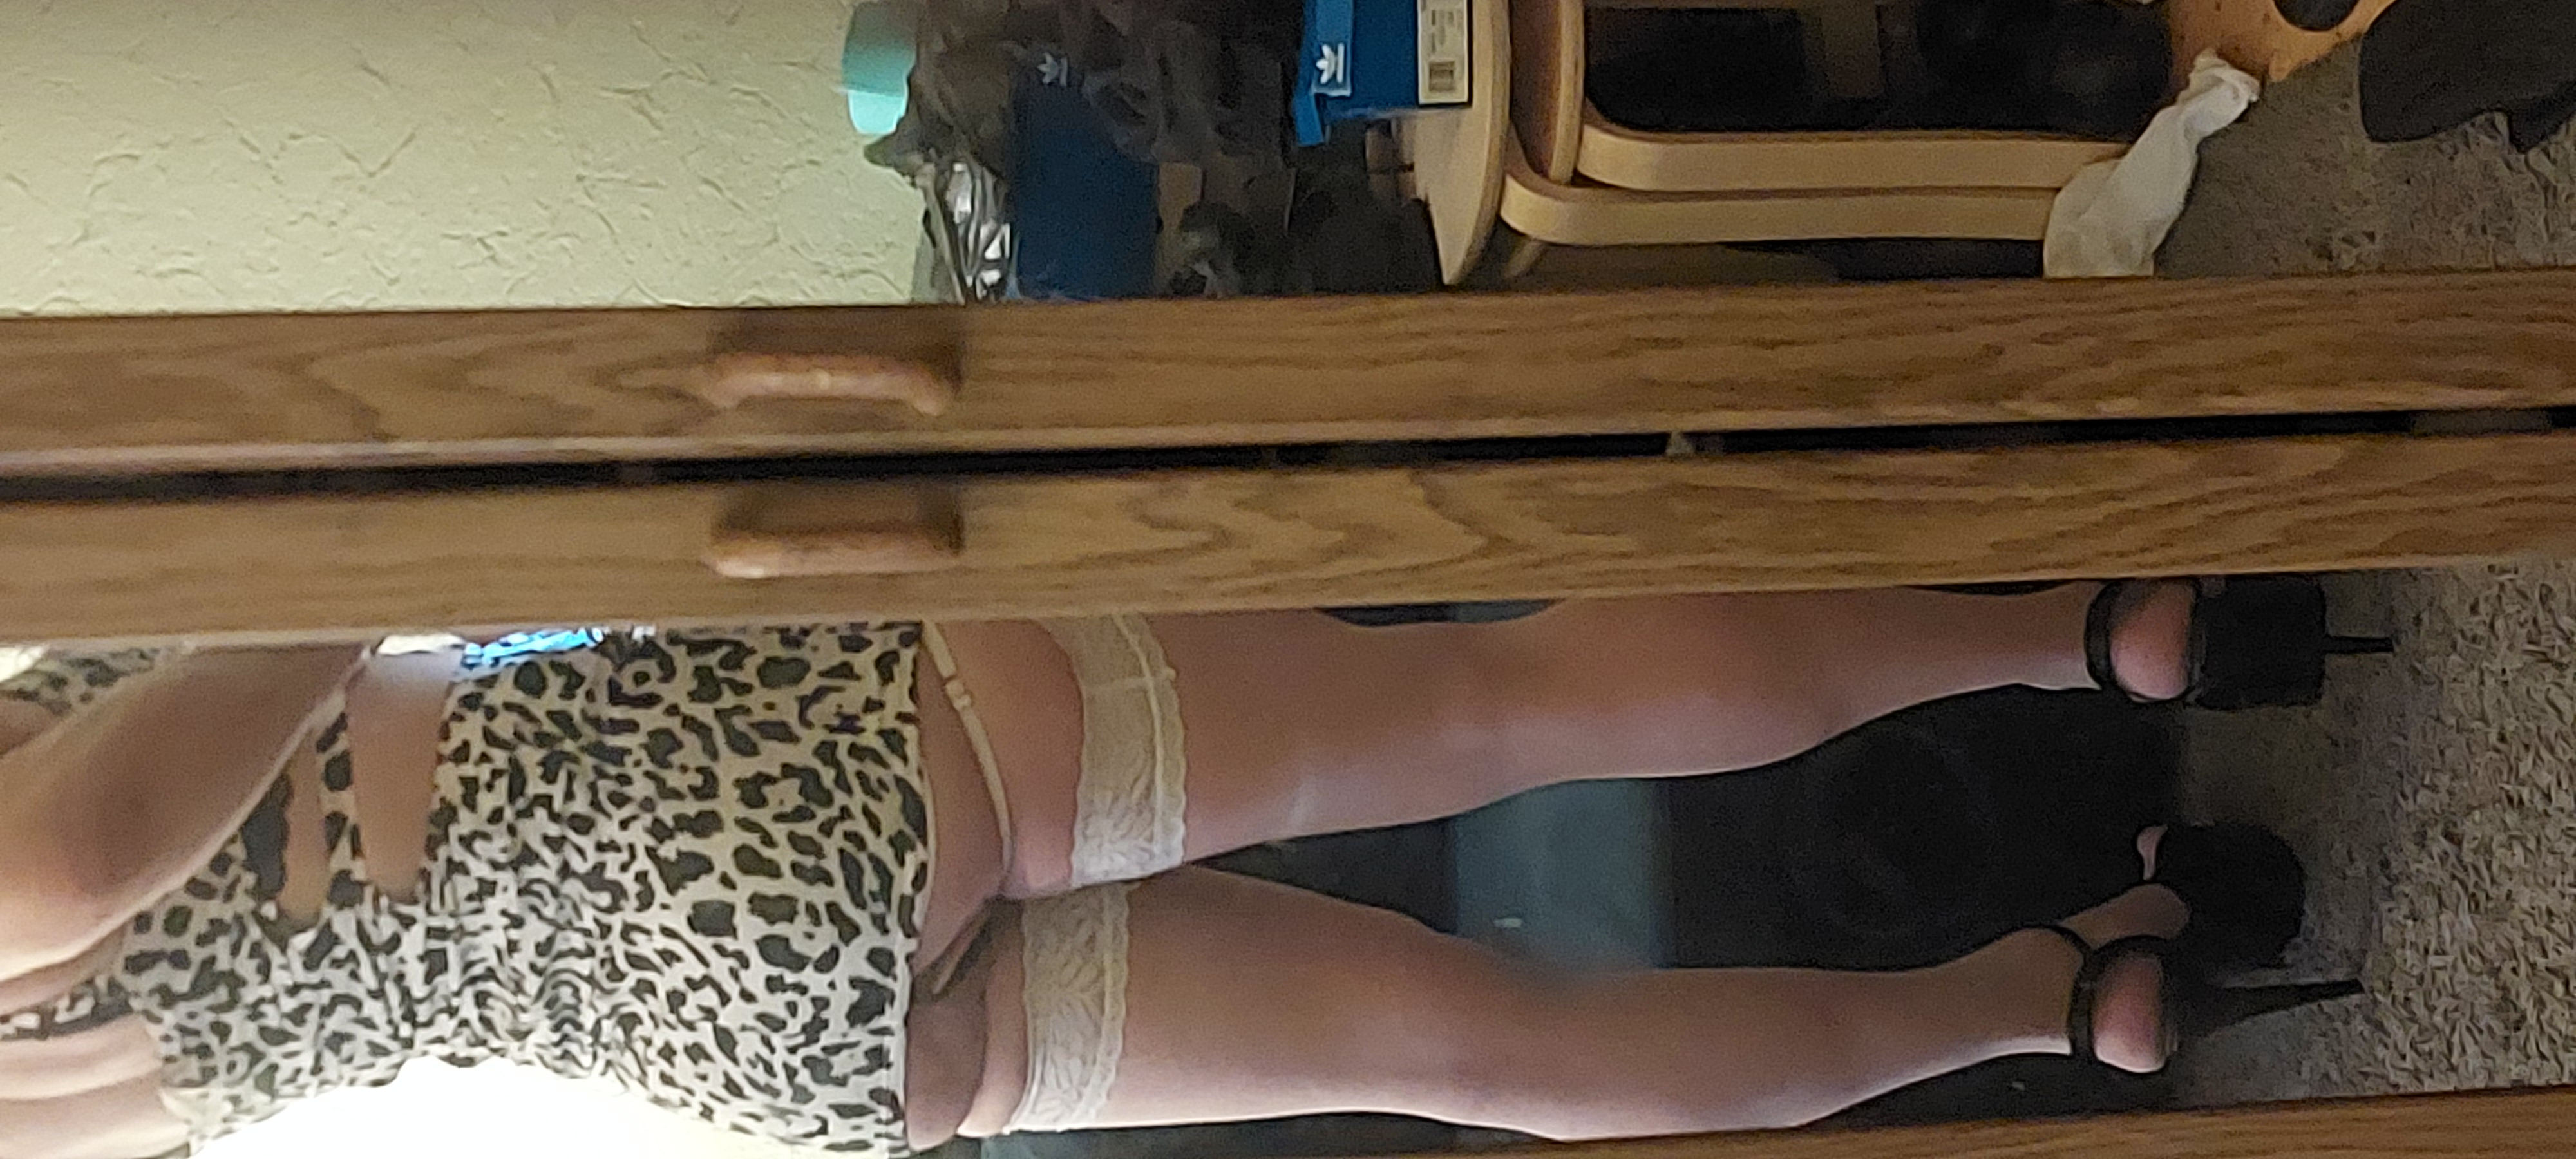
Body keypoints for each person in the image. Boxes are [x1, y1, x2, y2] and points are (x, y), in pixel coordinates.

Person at [0, 579, 2371, 1159]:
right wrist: (358, 553)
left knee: (1476, 1054)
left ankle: (2059, 1003)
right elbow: (67, 848)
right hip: (732, 795)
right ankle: (2101, 632)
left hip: (727, 1042)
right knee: (1500, 703)